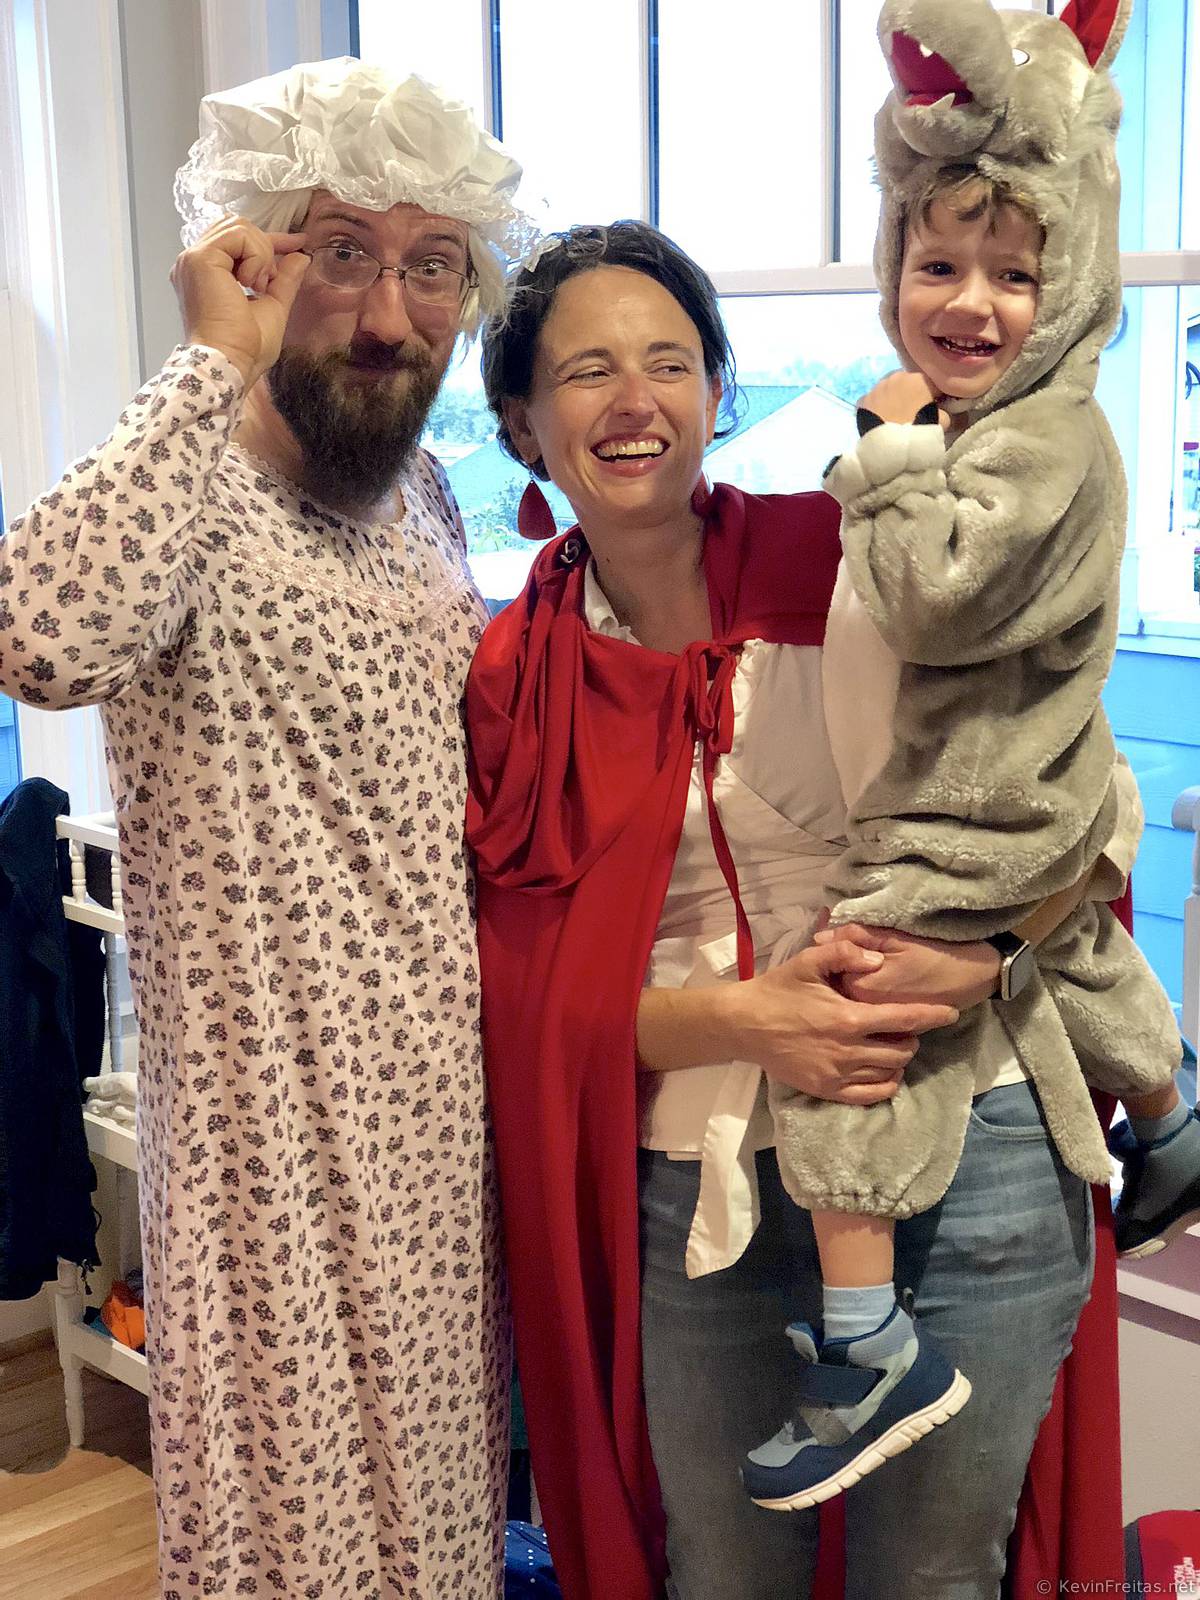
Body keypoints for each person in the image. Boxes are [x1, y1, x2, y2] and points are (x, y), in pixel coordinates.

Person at [467, 218, 1104, 1600]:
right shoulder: (512, 676)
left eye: (668, 362)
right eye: (585, 371)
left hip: (970, 1132)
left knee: (933, 1576)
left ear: (717, 392)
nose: (634, 401)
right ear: (521, 423)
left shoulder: (864, 555)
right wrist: (747, 1021)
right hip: (702, 1190)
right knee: (723, 1574)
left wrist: (987, 959)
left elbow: (1079, 815)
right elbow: (515, 1004)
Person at [0, 57, 537, 1600]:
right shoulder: (193, 492)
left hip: (445, 1146)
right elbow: (38, 633)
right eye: (338, 252)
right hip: (273, 1165)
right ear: (251, 259)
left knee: (443, 1536)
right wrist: (204, 364)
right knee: (297, 1557)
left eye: (433, 264)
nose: (389, 313)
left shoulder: (428, 499)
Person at [745, 0, 1199, 1513]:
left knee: (854, 1020)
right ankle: (1172, 1116)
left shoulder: (1039, 438)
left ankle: (868, 1341)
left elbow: (935, 596)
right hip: (1022, 784)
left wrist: (879, 455)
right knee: (1069, 948)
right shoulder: (1002, 429)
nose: (973, 304)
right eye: (937, 265)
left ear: (1072, 286)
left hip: (982, 809)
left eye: (1017, 273)